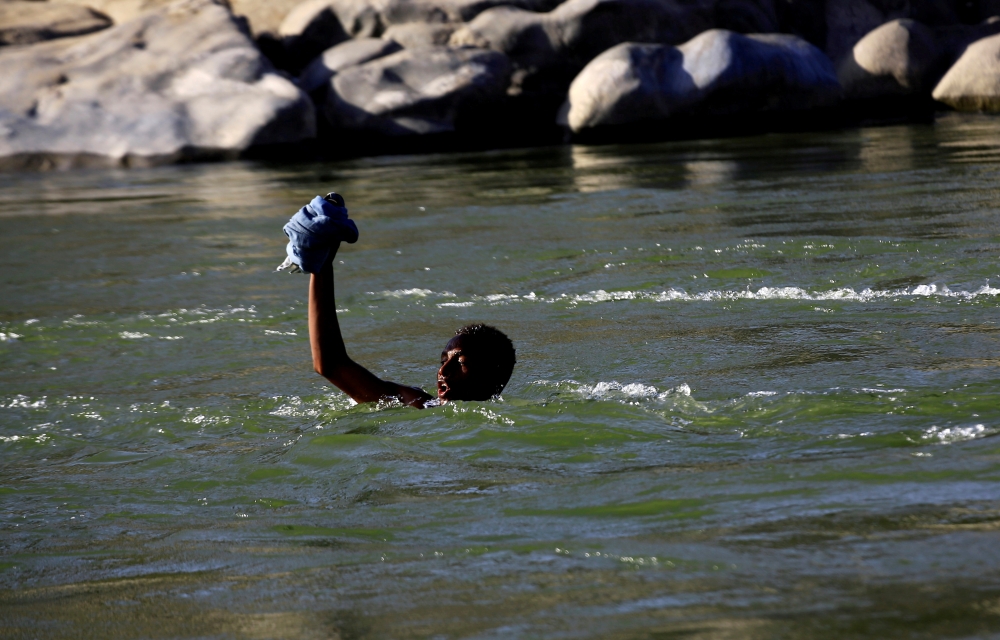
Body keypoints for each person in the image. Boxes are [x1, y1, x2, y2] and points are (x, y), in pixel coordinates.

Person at [294, 194, 516, 408]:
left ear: (490, 376)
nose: (443, 372)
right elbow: (331, 364)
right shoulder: (419, 403)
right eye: (442, 362)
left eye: (461, 363)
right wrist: (321, 264)